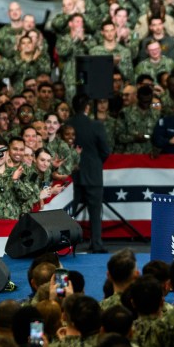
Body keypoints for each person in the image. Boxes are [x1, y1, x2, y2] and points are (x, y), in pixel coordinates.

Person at [68, 93, 112, 253]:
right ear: (87, 107)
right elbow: (105, 151)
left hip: (72, 174)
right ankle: (96, 243)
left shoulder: (67, 124)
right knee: (95, 212)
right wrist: (95, 163)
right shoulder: (96, 126)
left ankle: (66, 245)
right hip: (93, 174)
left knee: (68, 211)